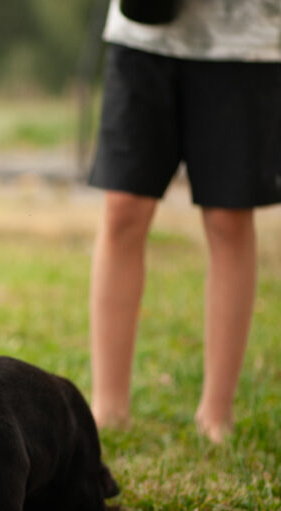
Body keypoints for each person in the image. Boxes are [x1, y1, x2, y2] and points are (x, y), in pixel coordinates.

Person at [88, 0, 281, 443]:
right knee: (123, 211)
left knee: (228, 217)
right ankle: (108, 407)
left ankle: (217, 413)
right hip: (141, 35)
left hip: (241, 40)